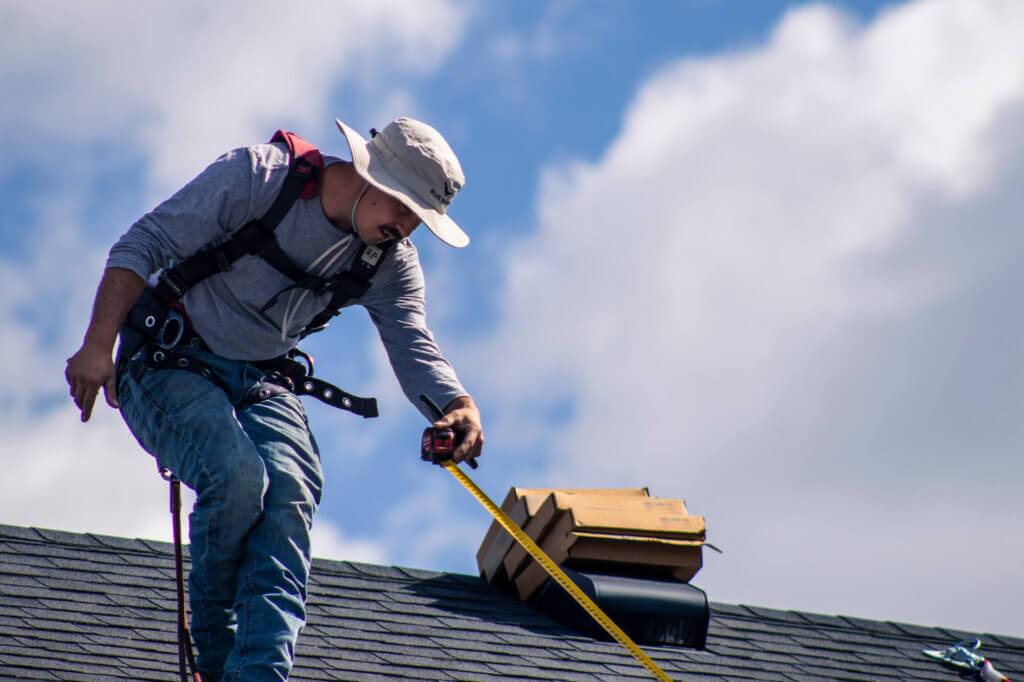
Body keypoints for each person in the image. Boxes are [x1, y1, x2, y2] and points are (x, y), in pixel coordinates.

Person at [64, 117, 484, 681]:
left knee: (290, 492)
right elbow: (144, 243)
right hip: (166, 360)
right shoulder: (259, 179)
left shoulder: (389, 262)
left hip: (263, 378)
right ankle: (215, 658)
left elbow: (410, 338)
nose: (405, 227)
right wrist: (97, 345)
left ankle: (262, 674)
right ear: (367, 174)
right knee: (237, 478)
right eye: (402, 207)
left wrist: (457, 403)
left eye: (418, 218)